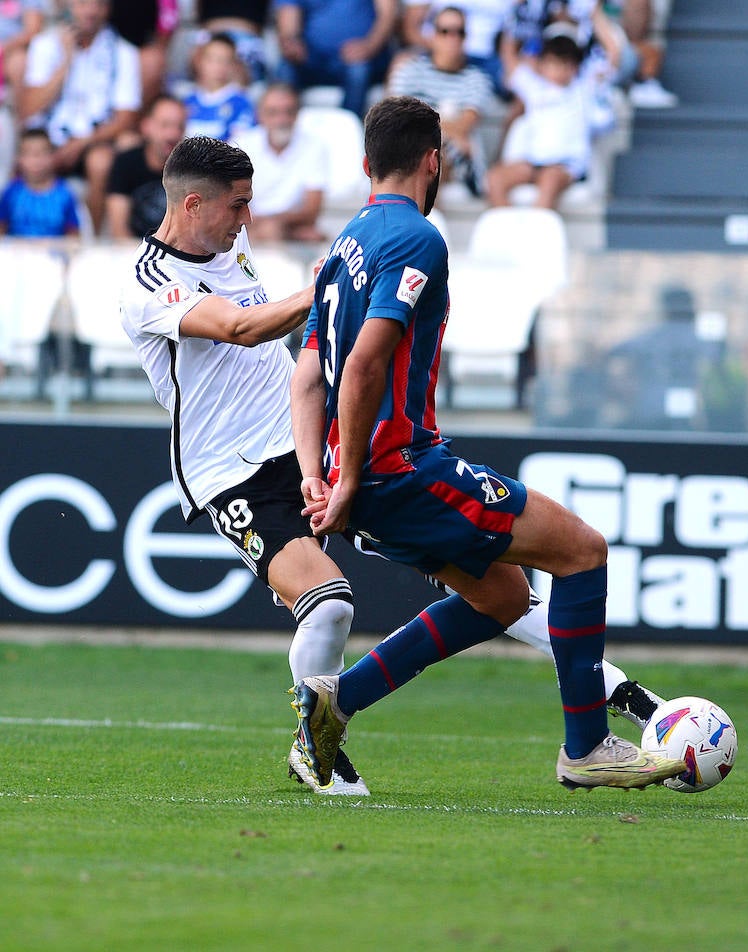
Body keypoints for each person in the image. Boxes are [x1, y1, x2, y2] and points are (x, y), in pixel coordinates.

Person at [117, 134, 676, 798]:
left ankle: (628, 700)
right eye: (235, 206)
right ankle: (314, 743)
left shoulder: (228, 243)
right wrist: (331, 284)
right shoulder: (149, 284)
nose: (246, 221)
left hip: (311, 450)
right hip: (233, 474)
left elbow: (295, 351)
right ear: (191, 203)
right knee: (327, 606)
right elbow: (243, 328)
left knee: (497, 588)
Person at [286, 95, 685, 793]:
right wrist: (348, 477)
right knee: (583, 551)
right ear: (435, 162)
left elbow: (306, 377)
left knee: (501, 597)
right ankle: (587, 746)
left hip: (364, 476)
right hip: (402, 470)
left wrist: (315, 473)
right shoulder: (416, 238)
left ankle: (337, 700)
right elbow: (362, 365)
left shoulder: (344, 242)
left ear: (365, 164)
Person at [18, 0, 142, 235]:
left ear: (108, 9)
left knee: (101, 161)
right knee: (33, 153)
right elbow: (28, 108)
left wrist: (80, 144)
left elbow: (126, 118)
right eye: (83, 4)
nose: (90, 11)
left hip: (93, 141)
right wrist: (66, 62)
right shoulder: (45, 45)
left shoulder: (124, 52)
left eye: (98, 5)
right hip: (49, 137)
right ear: (69, 6)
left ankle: (92, 241)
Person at [485, 28, 607, 210]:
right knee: (494, 180)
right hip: (532, 163)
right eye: (555, 63)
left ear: (576, 67)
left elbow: (613, 59)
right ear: (542, 64)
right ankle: (512, 230)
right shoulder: (534, 87)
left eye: (567, 64)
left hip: (565, 166)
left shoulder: (584, 91)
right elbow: (509, 58)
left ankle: (537, 235)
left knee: (548, 182)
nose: (561, 70)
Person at [387, 4, 496, 197]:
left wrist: (421, 122)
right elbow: (397, 120)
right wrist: (444, 126)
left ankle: (422, 219)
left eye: (459, 32)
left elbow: (464, 125)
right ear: (433, 35)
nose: (452, 38)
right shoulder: (409, 70)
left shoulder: (478, 79)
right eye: (445, 31)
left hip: (456, 160)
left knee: (434, 155)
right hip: (423, 149)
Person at [232, 83, 328, 243]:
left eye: (288, 112)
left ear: (297, 115)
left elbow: (312, 211)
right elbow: (230, 201)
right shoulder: (241, 144)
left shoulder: (314, 146)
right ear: (260, 115)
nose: (281, 120)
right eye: (273, 113)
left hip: (288, 227)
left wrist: (272, 224)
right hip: (250, 227)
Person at [275, 0, 398, 119]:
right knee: (286, 68)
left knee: (358, 70)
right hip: (311, 59)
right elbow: (288, 19)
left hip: (363, 57)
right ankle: (288, 130)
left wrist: (369, 46)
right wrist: (293, 44)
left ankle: (348, 132)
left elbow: (387, 15)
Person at [106, 93, 187, 239]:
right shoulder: (126, 162)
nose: (173, 134)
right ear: (146, 126)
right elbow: (119, 229)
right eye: (165, 125)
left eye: (180, 127)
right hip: (132, 253)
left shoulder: (191, 169)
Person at [0, 128, 83, 237]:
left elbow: (73, 235)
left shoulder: (65, 194)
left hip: (55, 253)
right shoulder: (11, 193)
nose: (36, 160)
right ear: (19, 159)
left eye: (42, 153)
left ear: (53, 156)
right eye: (29, 154)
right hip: (17, 253)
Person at [181, 32, 257, 141]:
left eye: (224, 60)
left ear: (234, 65)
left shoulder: (241, 103)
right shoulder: (187, 101)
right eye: (212, 59)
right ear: (199, 62)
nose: (218, 66)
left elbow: (241, 143)